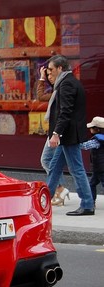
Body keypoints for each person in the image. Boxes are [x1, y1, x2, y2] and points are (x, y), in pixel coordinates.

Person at [45, 55, 94, 216]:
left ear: (60, 68)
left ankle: (87, 204)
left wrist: (56, 134)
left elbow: (65, 112)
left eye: (51, 69)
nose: (48, 73)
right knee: (54, 167)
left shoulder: (66, 85)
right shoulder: (69, 82)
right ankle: (45, 200)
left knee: (76, 169)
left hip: (68, 135)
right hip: (68, 135)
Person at [37, 65, 69, 206]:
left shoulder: (61, 90)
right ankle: (60, 189)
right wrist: (43, 78)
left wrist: (42, 79)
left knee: (47, 159)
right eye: (47, 74)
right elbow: (41, 96)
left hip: (58, 131)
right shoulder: (58, 89)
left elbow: (41, 96)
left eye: (51, 73)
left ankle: (60, 188)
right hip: (56, 130)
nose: (49, 77)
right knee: (52, 161)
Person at [83, 116, 104, 208]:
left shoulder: (97, 140)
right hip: (99, 167)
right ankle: (91, 201)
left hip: (100, 167)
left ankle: (91, 202)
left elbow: (85, 146)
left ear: (97, 129)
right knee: (92, 183)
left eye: (92, 127)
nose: (90, 129)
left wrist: (75, 143)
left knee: (93, 184)